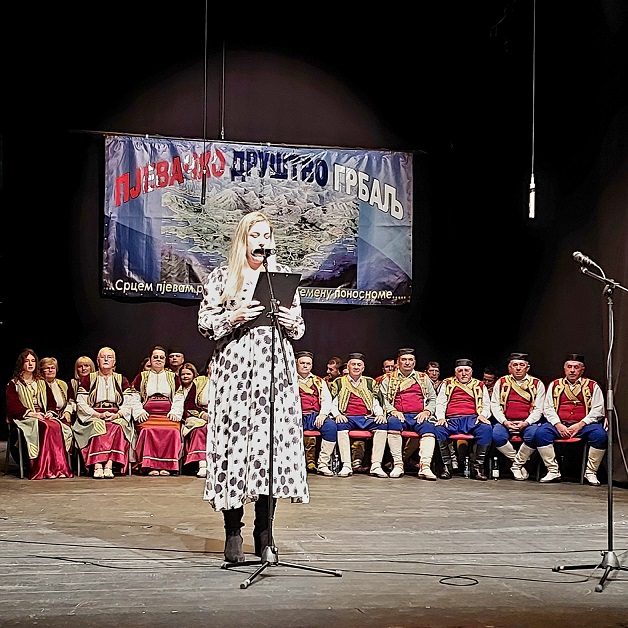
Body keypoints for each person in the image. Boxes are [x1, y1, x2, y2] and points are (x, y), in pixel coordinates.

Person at [197, 211, 309, 563]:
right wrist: (233, 317)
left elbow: (299, 328)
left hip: (274, 372)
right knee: (235, 447)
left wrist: (291, 321)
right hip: (236, 373)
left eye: (266, 235)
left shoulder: (279, 278)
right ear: (243, 239)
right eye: (255, 235)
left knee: (269, 450)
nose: (262, 241)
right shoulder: (222, 277)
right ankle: (233, 531)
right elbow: (204, 323)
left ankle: (265, 532)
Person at [535, 354, 607, 485]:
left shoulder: (592, 386)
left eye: (576, 367)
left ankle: (591, 472)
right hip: (560, 424)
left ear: (582, 370)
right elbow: (548, 407)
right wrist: (558, 424)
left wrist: (580, 424)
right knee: (541, 433)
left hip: (584, 425)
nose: (572, 370)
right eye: (569, 367)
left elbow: (598, 409)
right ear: (564, 369)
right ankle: (553, 470)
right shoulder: (555, 385)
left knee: (600, 435)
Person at [5, 349, 73, 479]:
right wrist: (31, 414)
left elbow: (51, 402)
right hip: (24, 417)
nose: (30, 364)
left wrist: (50, 413)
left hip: (42, 415)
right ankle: (42, 468)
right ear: (21, 363)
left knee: (57, 426)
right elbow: (13, 406)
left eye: (33, 361)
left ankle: (57, 467)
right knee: (44, 427)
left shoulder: (41, 382)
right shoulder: (13, 384)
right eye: (27, 361)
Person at [74, 346, 135, 478]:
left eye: (109, 357)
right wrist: (98, 415)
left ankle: (109, 465)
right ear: (97, 361)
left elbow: (129, 402)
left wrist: (117, 415)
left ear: (114, 362)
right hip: (94, 415)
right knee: (98, 425)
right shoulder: (89, 379)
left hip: (115, 414)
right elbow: (81, 402)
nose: (106, 360)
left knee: (117, 426)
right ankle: (97, 465)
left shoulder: (121, 379)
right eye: (103, 357)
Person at [379, 348, 438, 480]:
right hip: (398, 415)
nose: (407, 363)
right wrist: (393, 411)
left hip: (419, 415)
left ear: (414, 362)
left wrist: (427, 411)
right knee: (392, 422)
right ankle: (398, 464)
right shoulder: (388, 378)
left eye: (410, 360)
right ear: (398, 362)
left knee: (429, 427)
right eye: (404, 360)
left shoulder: (423, 378)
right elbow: (382, 399)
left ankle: (425, 466)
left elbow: (432, 398)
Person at [329, 352, 391, 478]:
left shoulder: (370, 382)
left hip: (366, 417)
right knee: (340, 425)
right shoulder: (339, 382)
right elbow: (332, 403)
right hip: (347, 417)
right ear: (348, 367)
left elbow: (376, 402)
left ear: (363, 368)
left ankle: (376, 465)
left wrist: (380, 414)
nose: (356, 367)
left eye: (359, 365)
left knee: (382, 425)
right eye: (353, 365)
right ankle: (346, 465)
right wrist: (337, 415)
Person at [296, 350, 352, 477]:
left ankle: (323, 464)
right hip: (296, 415)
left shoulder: (318, 381)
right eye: (302, 363)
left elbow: (327, 400)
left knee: (331, 426)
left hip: (315, 415)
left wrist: (323, 414)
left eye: (308, 364)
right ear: (296, 364)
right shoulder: (289, 380)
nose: (305, 366)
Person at [434, 358, 493, 481]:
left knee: (486, 429)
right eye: (460, 371)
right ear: (455, 372)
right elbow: (440, 402)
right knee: (439, 429)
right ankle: (447, 466)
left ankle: (477, 467)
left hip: (472, 419)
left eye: (466, 370)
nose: (463, 373)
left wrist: (483, 415)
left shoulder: (479, 385)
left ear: (471, 372)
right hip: (452, 419)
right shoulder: (447, 383)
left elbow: (486, 404)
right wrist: (441, 418)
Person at [129, 345, 183, 476]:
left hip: (167, 416)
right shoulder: (142, 376)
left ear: (165, 360)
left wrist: (175, 412)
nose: (158, 360)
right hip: (148, 416)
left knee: (173, 431)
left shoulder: (172, 377)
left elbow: (179, 396)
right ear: (151, 359)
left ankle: (167, 466)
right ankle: (150, 466)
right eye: (155, 357)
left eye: (161, 358)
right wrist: (139, 412)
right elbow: (134, 396)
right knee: (147, 431)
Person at [490, 353, 545, 481]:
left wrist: (526, 423)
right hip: (506, 421)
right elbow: (495, 405)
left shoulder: (537, 383)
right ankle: (519, 463)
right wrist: (505, 422)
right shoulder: (501, 382)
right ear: (509, 368)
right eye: (515, 365)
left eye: (522, 365)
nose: (518, 368)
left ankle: (516, 466)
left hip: (527, 422)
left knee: (534, 435)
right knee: (496, 435)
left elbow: (539, 409)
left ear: (527, 368)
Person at [172, 361, 208, 477]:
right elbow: (189, 404)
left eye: (188, 374)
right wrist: (202, 414)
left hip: (220, 416)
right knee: (201, 428)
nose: (185, 376)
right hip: (198, 416)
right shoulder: (200, 381)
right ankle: (202, 465)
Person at [68, 356, 96, 424]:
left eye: (86, 366)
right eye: (80, 366)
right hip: (79, 414)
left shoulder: (98, 381)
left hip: (96, 413)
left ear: (91, 367)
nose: (83, 368)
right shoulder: (73, 383)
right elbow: (71, 401)